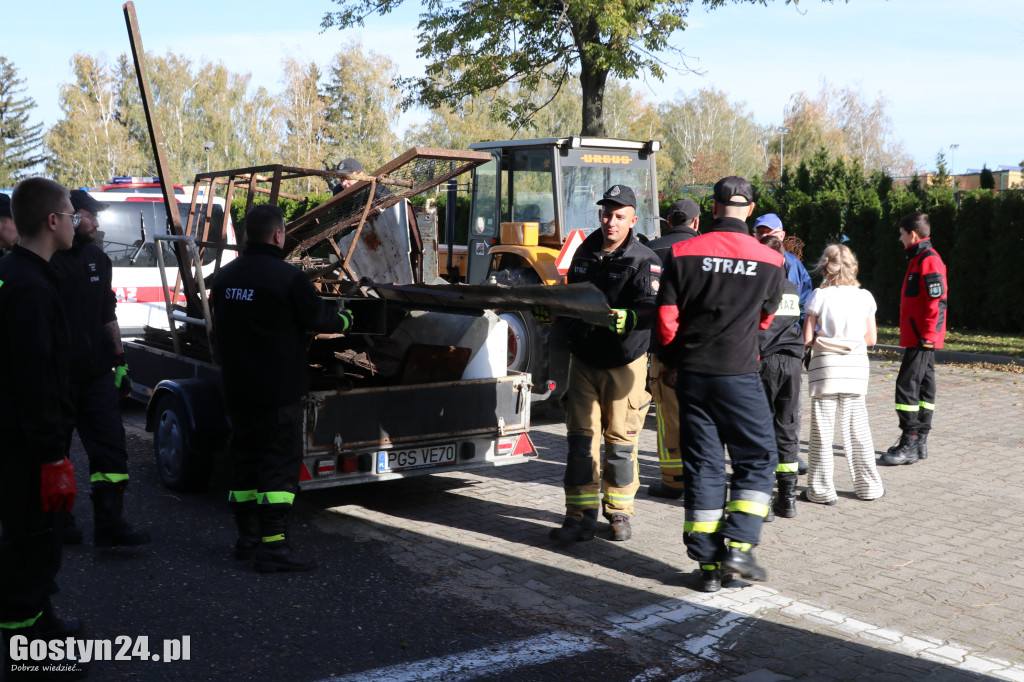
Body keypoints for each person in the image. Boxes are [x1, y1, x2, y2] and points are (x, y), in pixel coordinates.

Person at [656, 176, 785, 592]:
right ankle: (741, 548)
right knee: (759, 458)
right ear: (750, 210)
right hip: (739, 374)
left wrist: (674, 362)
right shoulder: (771, 261)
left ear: (712, 209)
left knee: (704, 467)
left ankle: (708, 569)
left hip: (692, 375)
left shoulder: (681, 252)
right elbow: (766, 321)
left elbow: (666, 321)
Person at [212, 204, 354, 573]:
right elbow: (319, 318)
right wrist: (345, 317)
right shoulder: (288, 278)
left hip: (237, 390)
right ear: (279, 235)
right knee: (277, 467)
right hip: (277, 393)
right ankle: (274, 547)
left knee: (243, 462)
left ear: (246, 236)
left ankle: (247, 539)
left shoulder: (224, 279)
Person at [541, 184, 660, 543]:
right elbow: (570, 297)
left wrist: (631, 317)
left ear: (632, 220)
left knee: (620, 443)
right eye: (606, 214)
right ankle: (579, 518)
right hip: (584, 362)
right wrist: (552, 311)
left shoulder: (644, 259)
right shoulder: (583, 254)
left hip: (625, 363)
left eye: (619, 216)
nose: (611, 221)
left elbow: (651, 306)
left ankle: (620, 513)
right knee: (581, 442)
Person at [0, 178, 82, 666]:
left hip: (20, 438)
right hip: (27, 445)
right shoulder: (29, 286)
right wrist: (52, 453)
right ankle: (27, 653)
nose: (75, 222)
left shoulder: (16, 272)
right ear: (53, 221)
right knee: (29, 541)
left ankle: (39, 619)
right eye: (71, 214)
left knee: (38, 539)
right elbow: (34, 378)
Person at [52, 189, 150, 547]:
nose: (96, 222)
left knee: (110, 451)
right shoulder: (45, 261)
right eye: (91, 215)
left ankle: (110, 524)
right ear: (72, 218)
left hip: (96, 377)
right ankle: (56, 522)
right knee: (53, 453)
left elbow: (108, 313)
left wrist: (121, 361)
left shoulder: (98, 259)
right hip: (57, 380)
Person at [802, 244, 885, 503]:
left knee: (822, 431)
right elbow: (871, 339)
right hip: (855, 367)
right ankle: (868, 486)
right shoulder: (865, 297)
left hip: (825, 367)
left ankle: (820, 490)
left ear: (826, 266)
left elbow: (807, 338)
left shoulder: (818, 296)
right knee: (858, 428)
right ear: (852, 265)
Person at [644, 197, 700, 500]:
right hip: (700, 350)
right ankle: (701, 480)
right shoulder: (707, 249)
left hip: (662, 349)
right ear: (696, 222)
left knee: (667, 417)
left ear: (668, 221)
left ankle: (673, 481)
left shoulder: (650, 250)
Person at [882, 211, 948, 466]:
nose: (899, 239)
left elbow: (937, 302)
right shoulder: (918, 259)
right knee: (923, 387)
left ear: (912, 234)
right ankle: (919, 441)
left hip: (923, 338)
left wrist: (930, 336)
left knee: (906, 385)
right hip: (918, 337)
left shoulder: (928, 260)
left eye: (901, 234)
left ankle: (910, 440)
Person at [757, 235, 804, 519]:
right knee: (787, 427)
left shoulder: (759, 286)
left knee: (760, 430)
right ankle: (787, 500)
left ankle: (761, 501)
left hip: (764, 362)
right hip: (792, 364)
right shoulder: (792, 287)